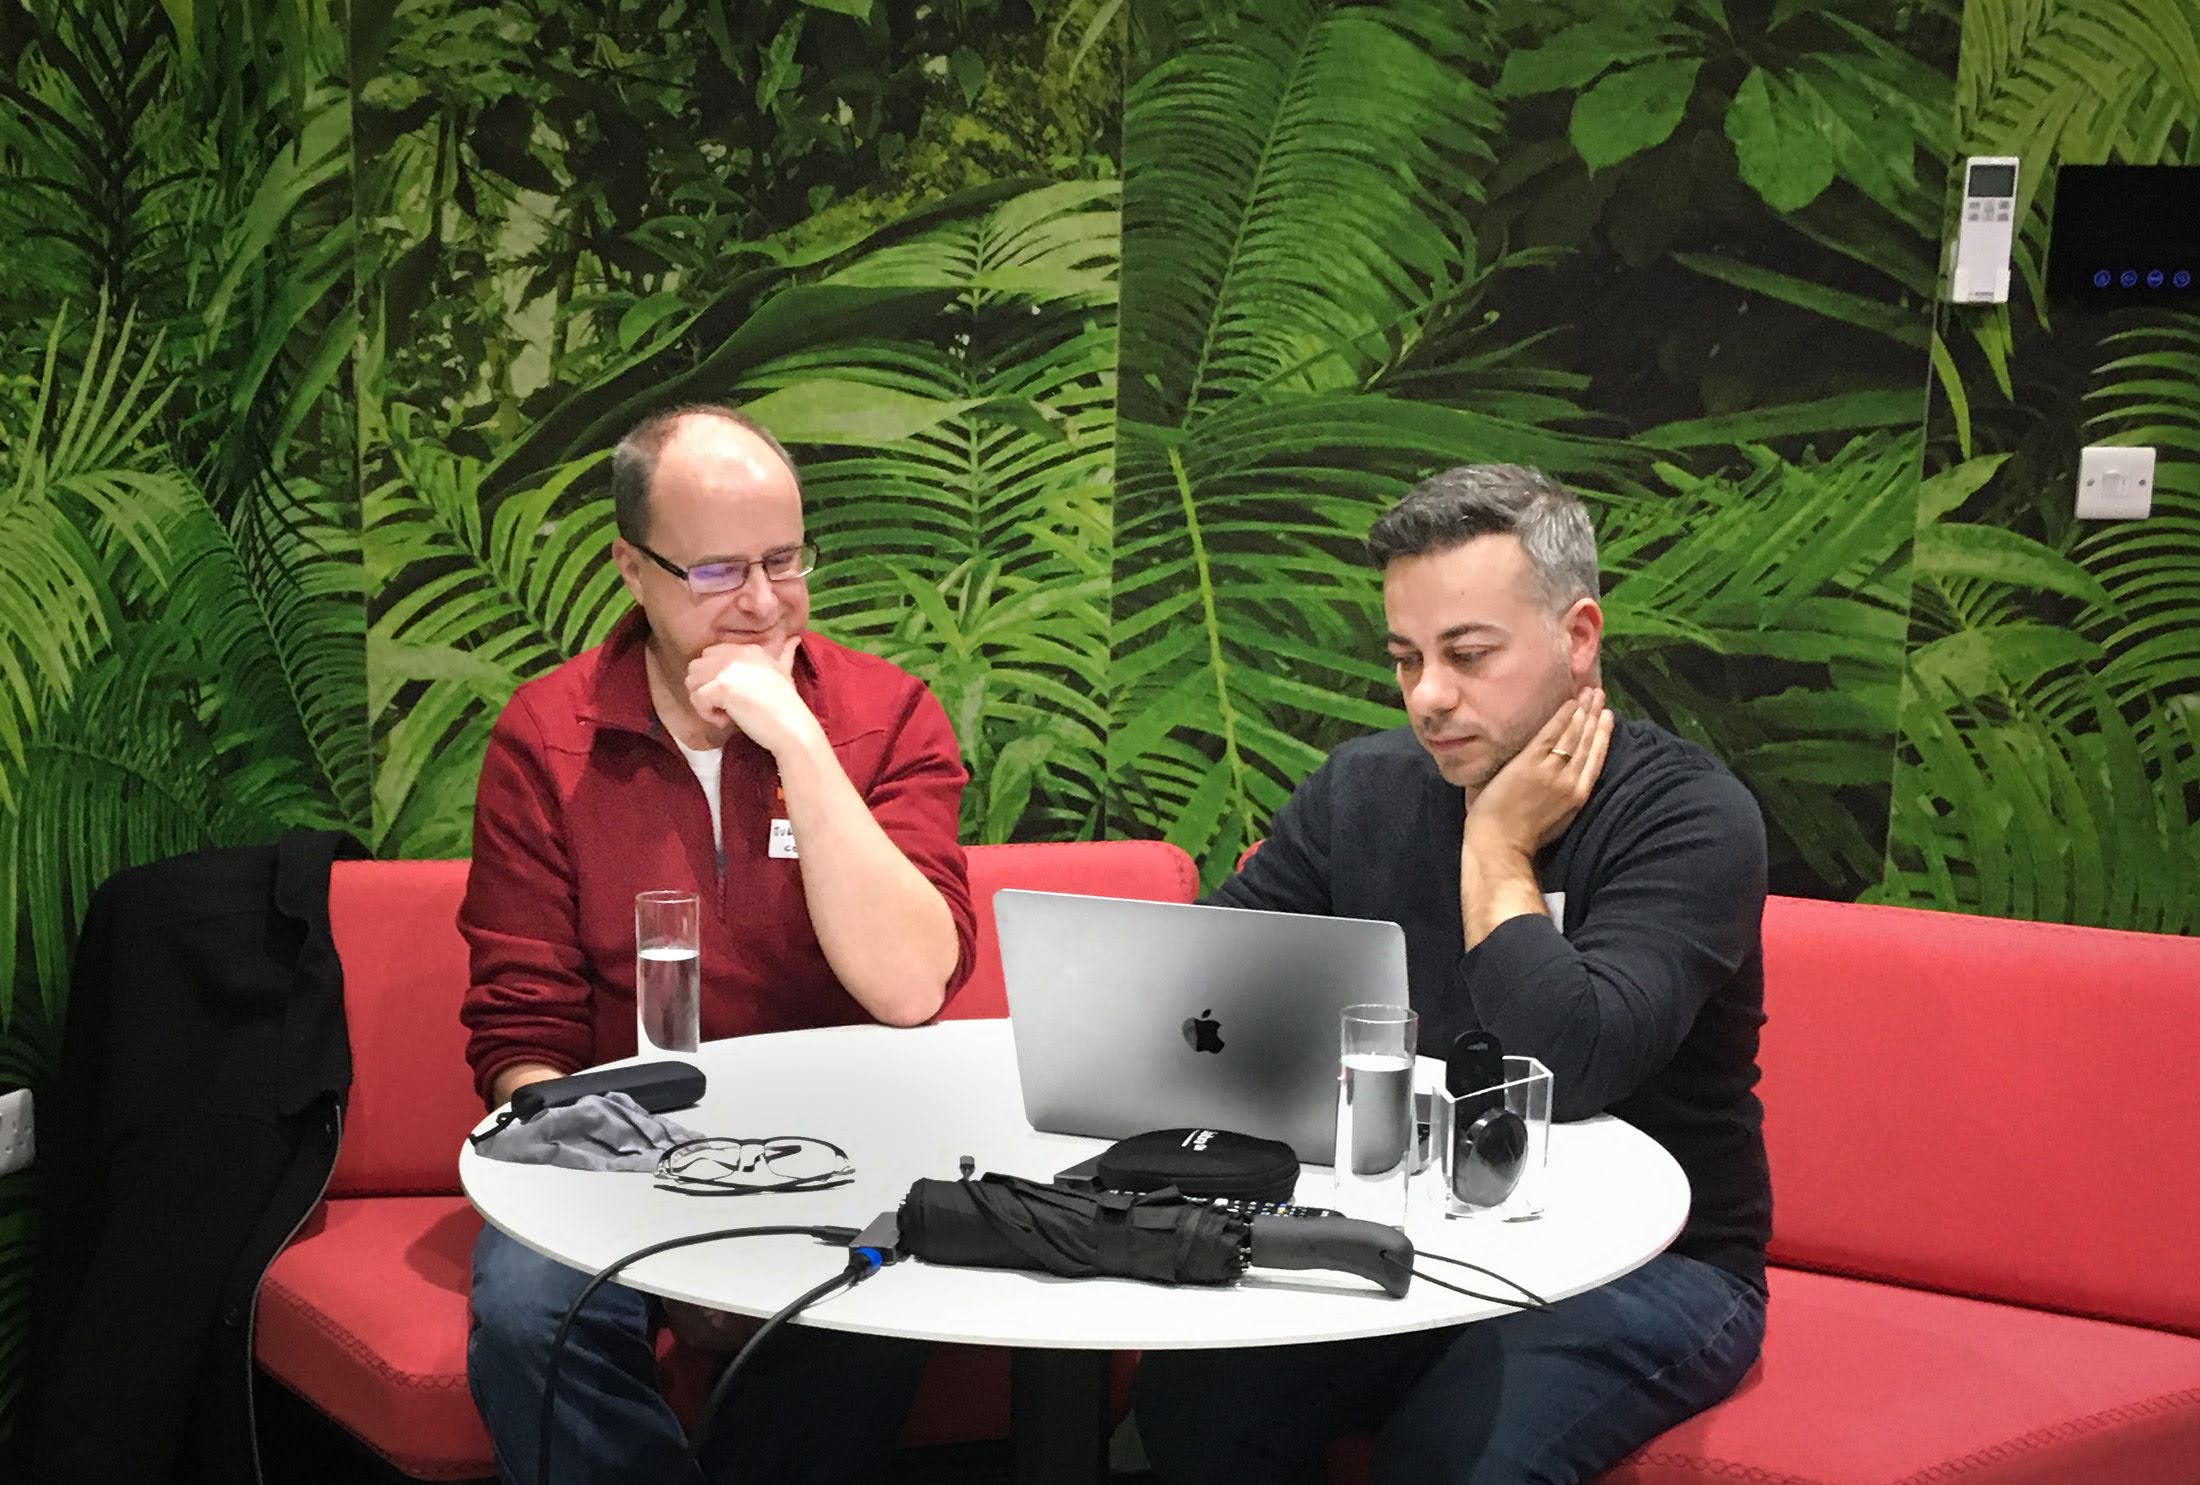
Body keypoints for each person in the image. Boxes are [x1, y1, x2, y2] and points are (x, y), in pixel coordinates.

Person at [1132, 464, 1771, 1484]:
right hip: (1419, 1235)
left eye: (1469, 655)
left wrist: (1496, 854)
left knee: (1449, 1458)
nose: (1429, 697)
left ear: (1578, 638)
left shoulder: (1690, 819)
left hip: (1655, 1265)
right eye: (1405, 659)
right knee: (1197, 1403)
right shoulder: (1363, 789)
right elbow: (1205, 979)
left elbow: (1575, 1064)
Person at [459, 405, 977, 1484]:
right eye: (716, 572)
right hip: (617, 1140)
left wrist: (794, 736)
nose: (760, 603)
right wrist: (584, 1158)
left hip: (840, 1144)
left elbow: (910, 986)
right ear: (631, 571)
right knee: (528, 1316)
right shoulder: (548, 735)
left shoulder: (887, 717)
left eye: (785, 561)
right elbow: (522, 1015)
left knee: (869, 1302)